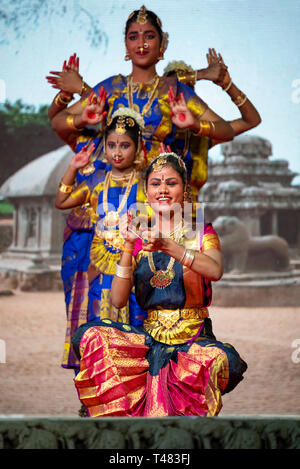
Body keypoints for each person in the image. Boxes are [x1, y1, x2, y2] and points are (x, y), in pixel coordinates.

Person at [71, 152, 247, 417]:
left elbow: (215, 270)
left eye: (171, 183)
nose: (162, 189)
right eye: (155, 183)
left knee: (222, 361)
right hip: (149, 337)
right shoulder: (139, 238)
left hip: (193, 339)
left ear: (184, 190)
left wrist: (168, 245)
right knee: (89, 336)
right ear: (146, 191)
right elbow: (118, 300)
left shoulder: (202, 233)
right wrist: (128, 246)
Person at [48, 5, 234, 192]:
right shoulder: (112, 86)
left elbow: (226, 130)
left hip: (156, 188)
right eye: (133, 37)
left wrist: (195, 125)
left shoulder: (174, 89)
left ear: (162, 46)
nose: (142, 44)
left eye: (150, 36)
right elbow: (57, 121)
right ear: (126, 45)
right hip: (113, 184)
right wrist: (81, 119)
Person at [55, 108, 148, 371]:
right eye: (111, 145)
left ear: (138, 147)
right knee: (98, 329)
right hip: (99, 269)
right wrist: (73, 168)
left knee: (135, 330)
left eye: (125, 145)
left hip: (134, 267)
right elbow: (61, 201)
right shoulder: (96, 180)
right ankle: (97, 396)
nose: (117, 152)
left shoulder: (146, 182)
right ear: (105, 147)